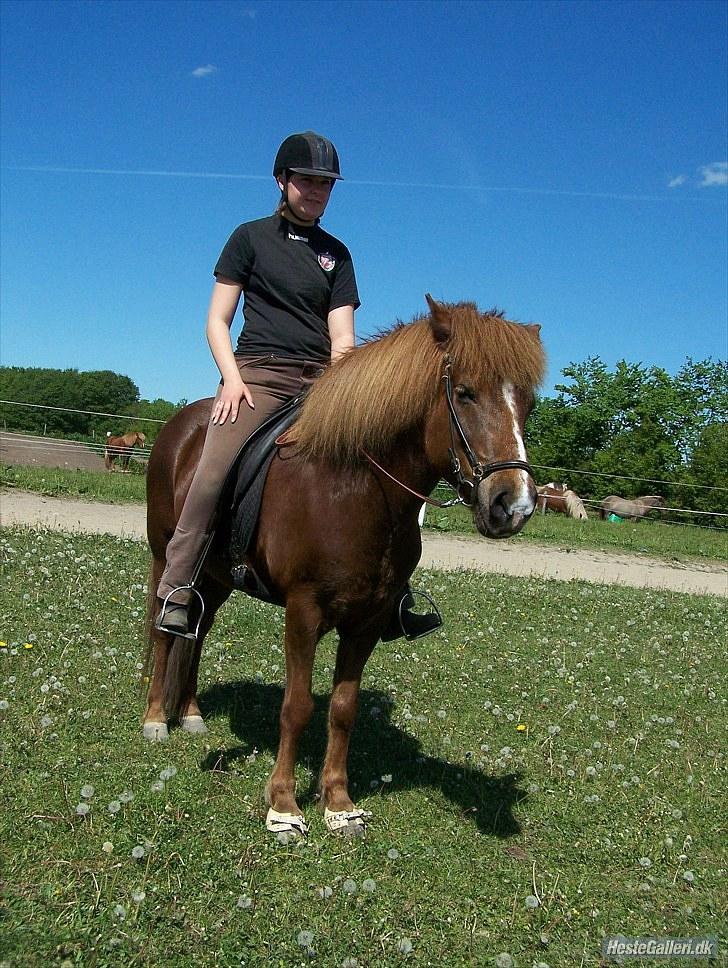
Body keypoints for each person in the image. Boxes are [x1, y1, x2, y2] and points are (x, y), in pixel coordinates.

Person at [156, 131, 440, 642]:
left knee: (384, 470)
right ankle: (179, 587)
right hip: (258, 377)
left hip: (320, 384)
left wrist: (346, 396)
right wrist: (232, 379)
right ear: (282, 180)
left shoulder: (338, 255)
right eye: (307, 180)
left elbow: (343, 339)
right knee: (214, 467)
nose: (316, 191)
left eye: (325, 184)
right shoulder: (249, 238)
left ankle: (394, 594)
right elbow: (217, 320)